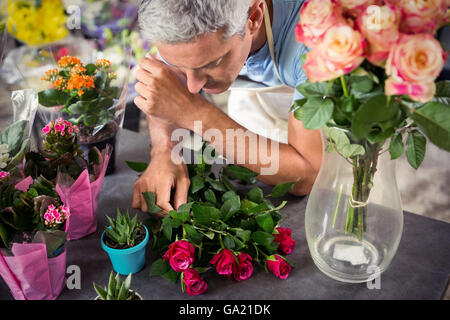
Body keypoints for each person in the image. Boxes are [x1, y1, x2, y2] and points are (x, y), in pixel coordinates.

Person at [132, 0, 322, 214]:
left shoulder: (315, 43)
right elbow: (163, 85)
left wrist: (195, 112)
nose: (193, 87)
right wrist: (163, 151)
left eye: (212, 63)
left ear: (253, 18)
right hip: (252, 124)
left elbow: (307, 176)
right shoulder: (177, 16)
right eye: (181, 65)